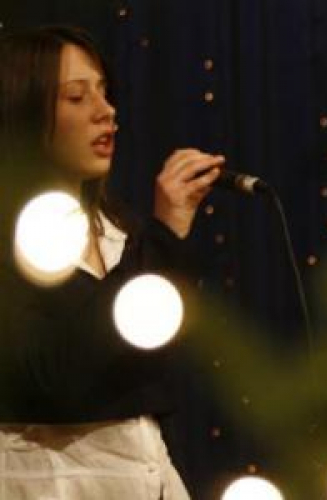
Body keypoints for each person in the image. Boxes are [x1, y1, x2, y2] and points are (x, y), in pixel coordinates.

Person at [0, 25, 223, 498]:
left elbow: (157, 366)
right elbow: (55, 374)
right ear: (24, 111)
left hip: (148, 475)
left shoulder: (123, 232)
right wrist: (163, 237)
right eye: (76, 98)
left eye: (104, 92)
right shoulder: (12, 239)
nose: (106, 113)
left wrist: (167, 235)